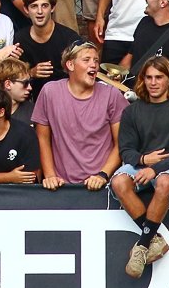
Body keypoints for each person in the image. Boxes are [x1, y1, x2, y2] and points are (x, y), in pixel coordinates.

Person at [111, 56, 169, 279]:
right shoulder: (132, 111)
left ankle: (142, 245)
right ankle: (155, 240)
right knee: (119, 181)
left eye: (159, 77)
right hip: (143, 165)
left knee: (164, 181)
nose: (153, 82)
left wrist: (156, 167)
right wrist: (143, 160)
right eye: (148, 77)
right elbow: (126, 150)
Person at [32, 40, 128, 189]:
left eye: (96, 60)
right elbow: (42, 138)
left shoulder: (112, 95)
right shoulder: (50, 92)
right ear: (70, 65)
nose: (94, 65)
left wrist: (103, 175)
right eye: (86, 60)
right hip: (61, 185)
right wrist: (50, 175)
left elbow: (121, 143)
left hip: (102, 184)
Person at [15, 0, 81, 102]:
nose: (39, 11)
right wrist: (31, 73)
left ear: (52, 8)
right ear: (26, 9)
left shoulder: (69, 38)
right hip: (34, 102)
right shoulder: (20, 39)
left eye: (44, 6)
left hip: (67, 100)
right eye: (34, 6)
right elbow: (13, 78)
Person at [127, 0, 169, 70]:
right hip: (133, 84)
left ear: (163, 2)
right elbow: (130, 57)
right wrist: (117, 75)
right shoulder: (144, 23)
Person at [0, 58, 35, 126]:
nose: (30, 88)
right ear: (8, 84)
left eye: (30, 83)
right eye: (25, 83)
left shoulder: (33, 111)